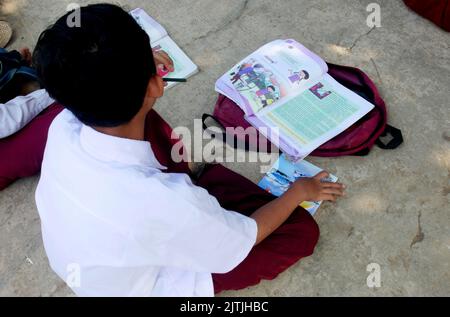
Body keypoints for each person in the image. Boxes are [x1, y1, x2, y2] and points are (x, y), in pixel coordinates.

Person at [34, 3, 345, 297]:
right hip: (146, 285)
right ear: (157, 85)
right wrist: (298, 192)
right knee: (300, 232)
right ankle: (210, 196)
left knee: (138, 114)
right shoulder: (162, 203)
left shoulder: (63, 125)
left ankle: (204, 195)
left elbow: (111, 86)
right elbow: (245, 238)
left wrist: (139, 68)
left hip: (96, 264)